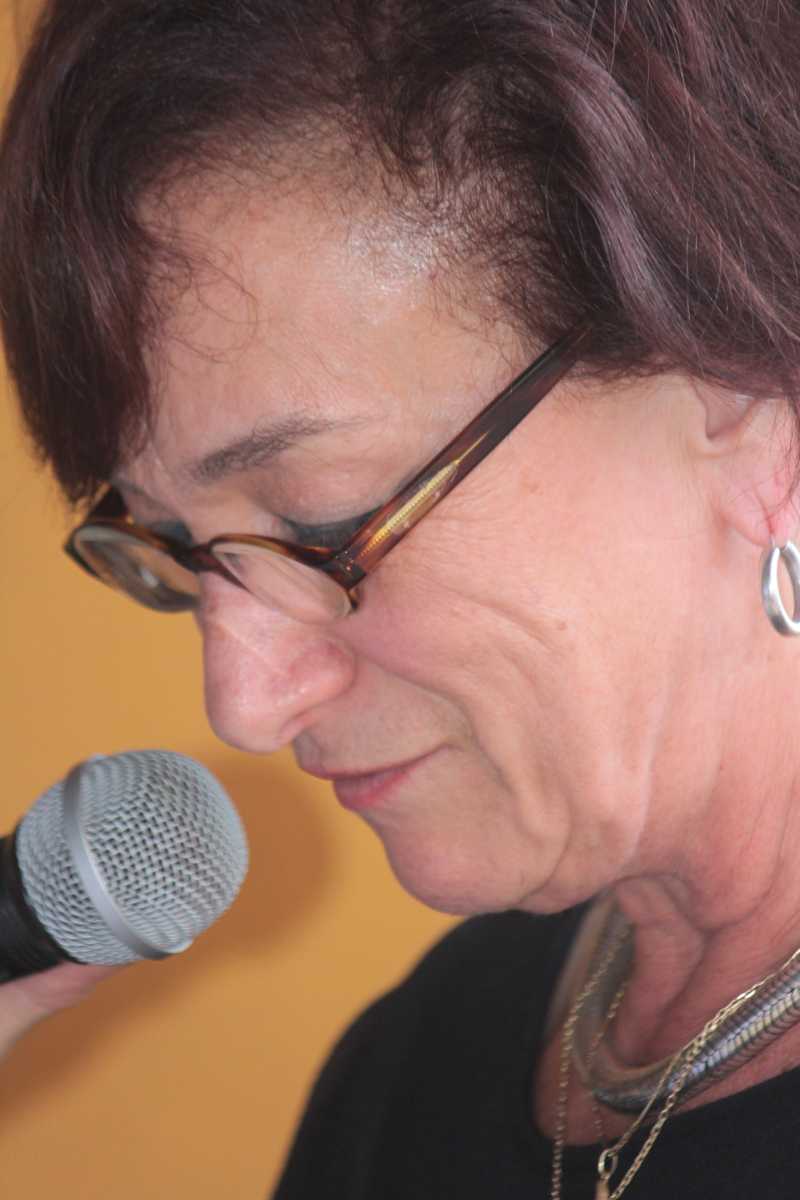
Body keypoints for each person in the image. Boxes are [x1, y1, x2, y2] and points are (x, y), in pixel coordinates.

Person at [2, 1, 800, 1195]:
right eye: (177, 553)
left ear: (740, 389)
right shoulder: (416, 1068)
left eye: (319, 525)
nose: (244, 705)